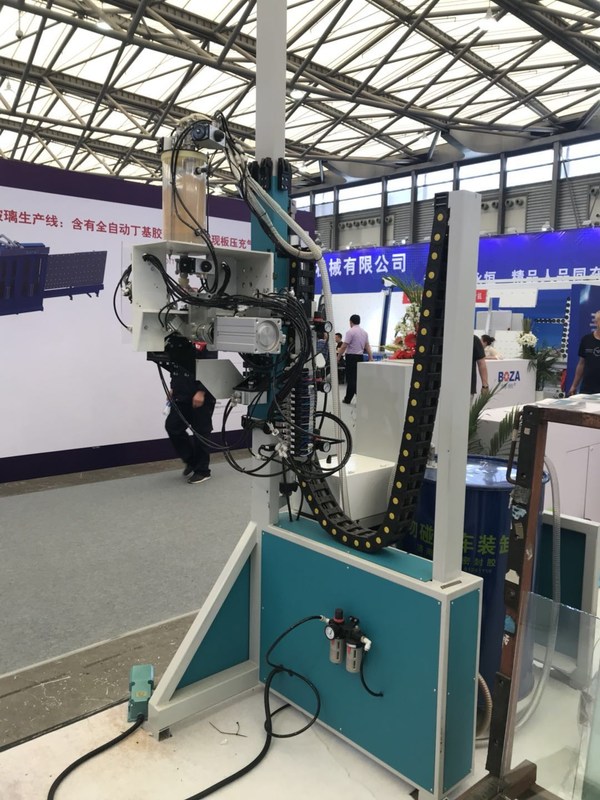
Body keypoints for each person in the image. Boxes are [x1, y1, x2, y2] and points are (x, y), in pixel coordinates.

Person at [163, 334, 216, 485]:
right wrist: (173, 388)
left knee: (201, 432)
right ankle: (192, 461)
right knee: (173, 427)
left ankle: (203, 471)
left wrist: (201, 391)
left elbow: (211, 366)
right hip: (181, 393)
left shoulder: (205, 335)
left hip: (201, 395)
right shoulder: (175, 340)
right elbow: (176, 365)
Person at [337, 314, 373, 404]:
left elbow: (344, 346)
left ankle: (350, 398)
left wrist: (338, 357)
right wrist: (370, 357)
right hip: (360, 357)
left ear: (351, 322)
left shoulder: (350, 332)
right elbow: (367, 346)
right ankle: (356, 398)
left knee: (351, 379)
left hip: (351, 357)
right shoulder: (364, 333)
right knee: (357, 378)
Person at [568, 310, 600, 395]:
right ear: (596, 322)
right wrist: (574, 385)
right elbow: (581, 364)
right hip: (587, 388)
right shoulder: (586, 339)